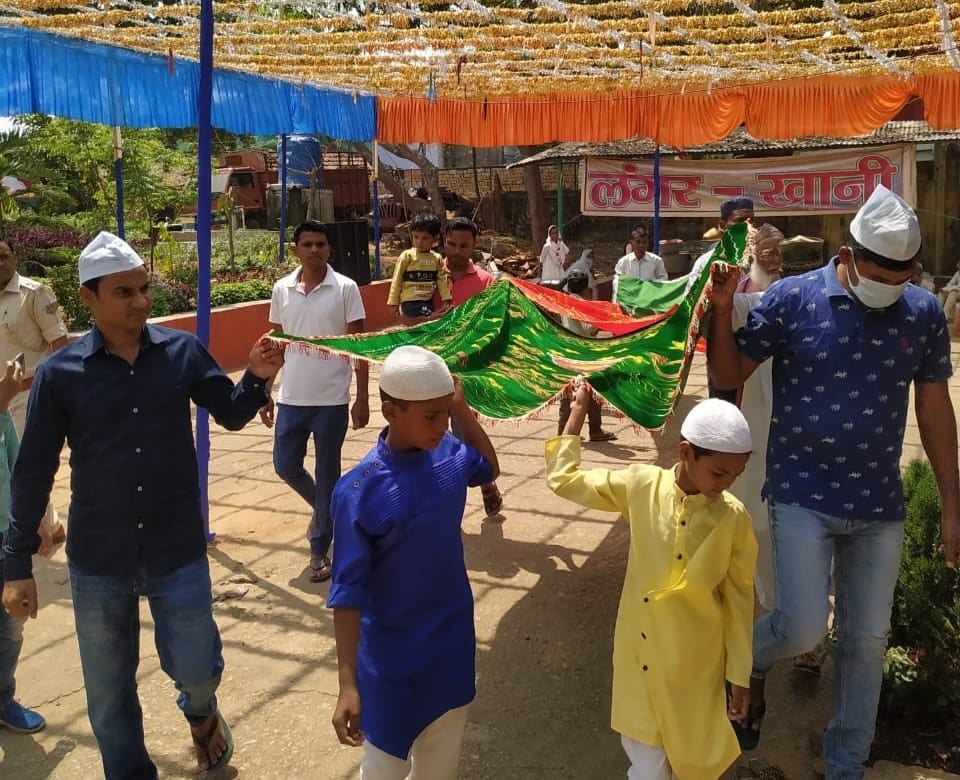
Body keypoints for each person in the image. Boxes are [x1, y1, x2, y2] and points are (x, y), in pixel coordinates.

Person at [0, 231, 285, 778]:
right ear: (88, 298)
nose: (140, 302)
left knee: (198, 667)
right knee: (109, 695)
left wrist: (255, 376)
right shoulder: (61, 376)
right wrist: (17, 567)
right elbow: (33, 470)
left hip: (175, 547)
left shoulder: (179, 352)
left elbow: (226, 411)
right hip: (99, 558)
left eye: (144, 289)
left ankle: (200, 710)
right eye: (124, 292)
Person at [707, 185, 959, 778]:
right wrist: (722, 312)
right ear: (846, 254)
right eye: (880, 271)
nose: (891, 284)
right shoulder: (794, 299)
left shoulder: (921, 313)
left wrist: (953, 505)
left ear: (915, 269)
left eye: (903, 274)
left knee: (865, 642)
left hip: (877, 504)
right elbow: (727, 374)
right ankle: (744, 661)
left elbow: (935, 410)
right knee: (799, 628)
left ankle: (846, 763)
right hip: (801, 494)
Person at [546, 391, 757, 780]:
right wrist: (577, 411)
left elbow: (740, 601)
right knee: (649, 769)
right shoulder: (642, 485)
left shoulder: (734, 520)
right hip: (640, 659)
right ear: (685, 453)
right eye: (718, 473)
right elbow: (565, 480)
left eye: (735, 475)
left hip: (696, 668)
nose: (725, 485)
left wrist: (739, 675)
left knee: (692, 766)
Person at [329, 345, 499, 780]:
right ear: (390, 411)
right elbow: (347, 593)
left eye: (445, 413)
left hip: (451, 645)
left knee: (440, 769)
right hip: (390, 661)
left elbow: (489, 468)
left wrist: (461, 410)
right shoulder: (358, 491)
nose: (441, 426)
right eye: (431, 416)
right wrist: (348, 684)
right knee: (383, 768)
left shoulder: (451, 456)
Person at [262, 220, 369, 582]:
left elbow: (359, 347)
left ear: (329, 249)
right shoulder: (282, 290)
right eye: (306, 244)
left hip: (331, 400)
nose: (314, 250)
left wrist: (362, 398)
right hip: (291, 396)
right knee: (284, 465)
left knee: (327, 473)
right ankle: (327, 510)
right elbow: (276, 344)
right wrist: (265, 390)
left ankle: (319, 550)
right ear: (296, 249)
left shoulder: (346, 289)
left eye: (320, 244)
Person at [724, 223, 784, 610]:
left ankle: (781, 601)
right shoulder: (737, 294)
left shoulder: (795, 293)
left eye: (778, 248)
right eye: (765, 248)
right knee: (745, 506)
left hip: (786, 405)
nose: (773, 255)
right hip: (747, 408)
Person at [0, 237, 68, 544]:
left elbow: (59, 343)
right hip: (2, 399)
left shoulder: (34, 293)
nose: (0, 263)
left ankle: (34, 533)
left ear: (15, 256)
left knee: (26, 466)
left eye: (3, 256)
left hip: (29, 394)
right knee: (11, 465)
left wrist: (51, 388)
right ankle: (50, 527)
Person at [442, 218, 504, 516]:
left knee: (463, 431)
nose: (457, 251)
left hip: (466, 371)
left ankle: (485, 482)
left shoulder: (485, 282)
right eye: (452, 244)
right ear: (444, 241)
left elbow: (492, 325)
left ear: (473, 246)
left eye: (464, 245)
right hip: (428, 367)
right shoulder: (425, 273)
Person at [0, 358, 46, 735]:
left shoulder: (2, 416)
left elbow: (18, 470)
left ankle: (3, 698)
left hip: (5, 539)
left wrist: (39, 522)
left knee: (11, 625)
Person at [555, 270, 616, 442]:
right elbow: (587, 329)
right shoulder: (583, 305)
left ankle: (563, 429)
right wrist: (599, 323)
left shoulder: (564, 302)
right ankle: (593, 429)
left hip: (568, 350)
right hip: (585, 352)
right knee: (590, 390)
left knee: (569, 390)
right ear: (586, 289)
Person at [386, 212, 452, 320]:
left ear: (434, 239)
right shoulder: (407, 256)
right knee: (433, 320)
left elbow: (442, 280)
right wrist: (393, 302)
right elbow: (397, 279)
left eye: (425, 238)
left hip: (427, 301)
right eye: (416, 237)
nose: (419, 242)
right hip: (410, 301)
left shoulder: (437, 258)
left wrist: (446, 298)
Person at [612, 226, 667, 298]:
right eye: (638, 242)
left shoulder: (656, 261)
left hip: (649, 302)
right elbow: (617, 285)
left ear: (647, 243)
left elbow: (664, 281)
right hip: (630, 303)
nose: (641, 245)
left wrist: (651, 286)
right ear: (631, 243)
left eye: (644, 242)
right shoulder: (623, 262)